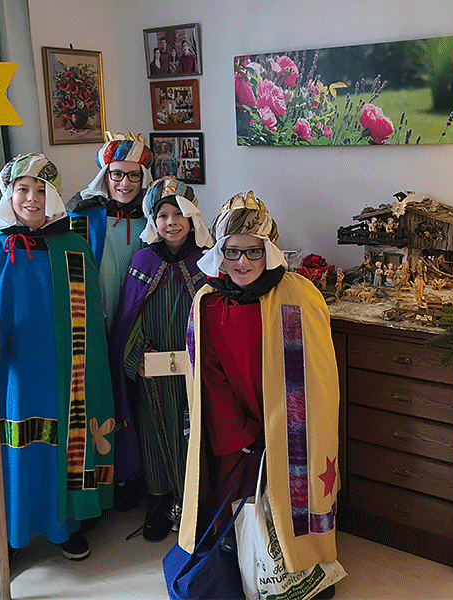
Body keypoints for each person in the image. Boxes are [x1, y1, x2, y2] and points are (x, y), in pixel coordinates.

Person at [0, 154, 114, 589]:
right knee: (10, 450)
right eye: (23, 190)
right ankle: (4, 539)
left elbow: (90, 314)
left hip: (63, 374)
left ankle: (64, 526)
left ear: (52, 195)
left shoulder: (73, 246)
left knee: (63, 445)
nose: (32, 199)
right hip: (10, 377)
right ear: (9, 195)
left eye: (41, 190)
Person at [178, 191, 341, 599]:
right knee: (240, 499)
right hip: (238, 426)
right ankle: (246, 568)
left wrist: (283, 425)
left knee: (297, 498)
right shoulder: (209, 301)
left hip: (293, 424)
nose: (243, 263)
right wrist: (242, 432)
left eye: (253, 252)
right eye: (232, 252)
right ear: (219, 252)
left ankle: (308, 566)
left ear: (268, 251)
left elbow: (318, 375)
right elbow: (209, 375)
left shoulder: (298, 294)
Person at [113, 177, 213, 541]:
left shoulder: (206, 261)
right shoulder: (142, 260)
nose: (171, 222)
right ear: (152, 221)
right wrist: (137, 356)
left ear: (192, 217)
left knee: (193, 433)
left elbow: (215, 313)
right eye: (162, 215)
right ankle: (158, 502)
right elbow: (128, 317)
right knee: (154, 433)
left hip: (194, 369)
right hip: (153, 372)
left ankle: (193, 503)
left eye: (179, 214)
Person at [66, 133, 154, 512]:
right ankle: (104, 481)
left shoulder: (155, 216)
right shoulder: (82, 215)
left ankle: (137, 477)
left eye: (133, 177)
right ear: (105, 174)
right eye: (117, 175)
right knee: (103, 401)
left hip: (138, 325)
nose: (125, 184)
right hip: (96, 323)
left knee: (137, 401)